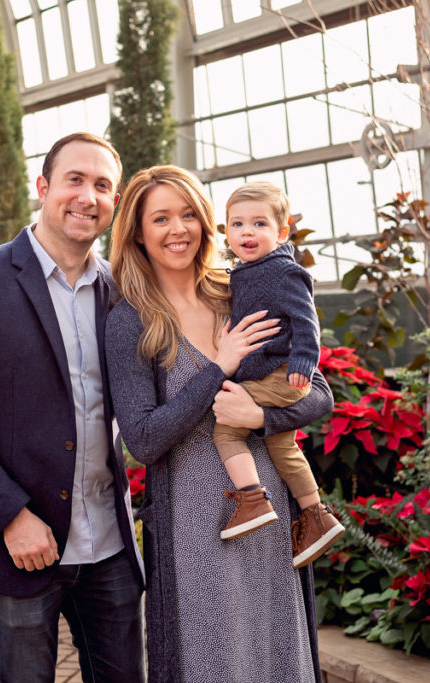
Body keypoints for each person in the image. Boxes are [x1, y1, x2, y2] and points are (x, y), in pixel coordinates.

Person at [0, 132, 145, 683]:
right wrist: (10, 516)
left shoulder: (120, 291)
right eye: (75, 180)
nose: (88, 196)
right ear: (43, 187)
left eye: (103, 186)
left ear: (115, 203)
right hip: (21, 546)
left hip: (108, 544)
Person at [106, 165, 333, 683]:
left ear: (208, 224)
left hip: (271, 516)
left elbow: (318, 392)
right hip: (196, 528)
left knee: (279, 658)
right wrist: (218, 369)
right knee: (215, 664)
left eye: (188, 214)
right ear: (138, 231)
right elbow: (142, 440)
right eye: (160, 218)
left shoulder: (239, 289)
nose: (177, 229)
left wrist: (262, 416)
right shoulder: (132, 320)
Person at [214, 181, 345, 569]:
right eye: (236, 225)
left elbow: (307, 323)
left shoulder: (285, 272)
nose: (247, 233)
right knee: (283, 446)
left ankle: (252, 498)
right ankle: (315, 515)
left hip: (282, 373)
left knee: (226, 429)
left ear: (281, 231)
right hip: (270, 370)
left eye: (259, 223)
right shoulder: (245, 271)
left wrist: (304, 364)